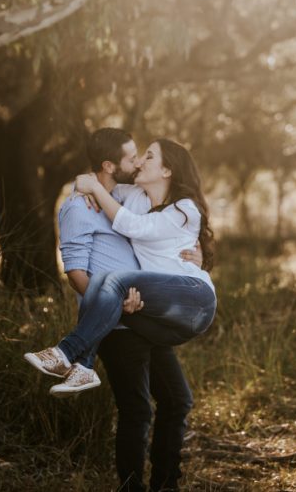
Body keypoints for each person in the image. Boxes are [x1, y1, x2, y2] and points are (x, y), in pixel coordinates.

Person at [49, 128, 199, 491]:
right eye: (132, 157)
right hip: (114, 323)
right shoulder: (77, 208)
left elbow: (168, 223)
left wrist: (200, 254)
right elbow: (75, 273)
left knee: (177, 400)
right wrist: (115, 302)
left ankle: (166, 485)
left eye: (141, 156)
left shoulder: (126, 196)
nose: (137, 162)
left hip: (145, 317)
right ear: (109, 165)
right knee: (137, 410)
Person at [25, 137, 216, 400]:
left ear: (167, 170)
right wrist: (82, 186)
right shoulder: (136, 197)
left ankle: (66, 353)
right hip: (161, 320)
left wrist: (94, 188)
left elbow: (134, 226)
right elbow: (102, 186)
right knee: (106, 285)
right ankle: (84, 368)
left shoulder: (185, 209)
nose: (139, 162)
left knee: (112, 281)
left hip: (195, 301)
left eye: (148, 156)